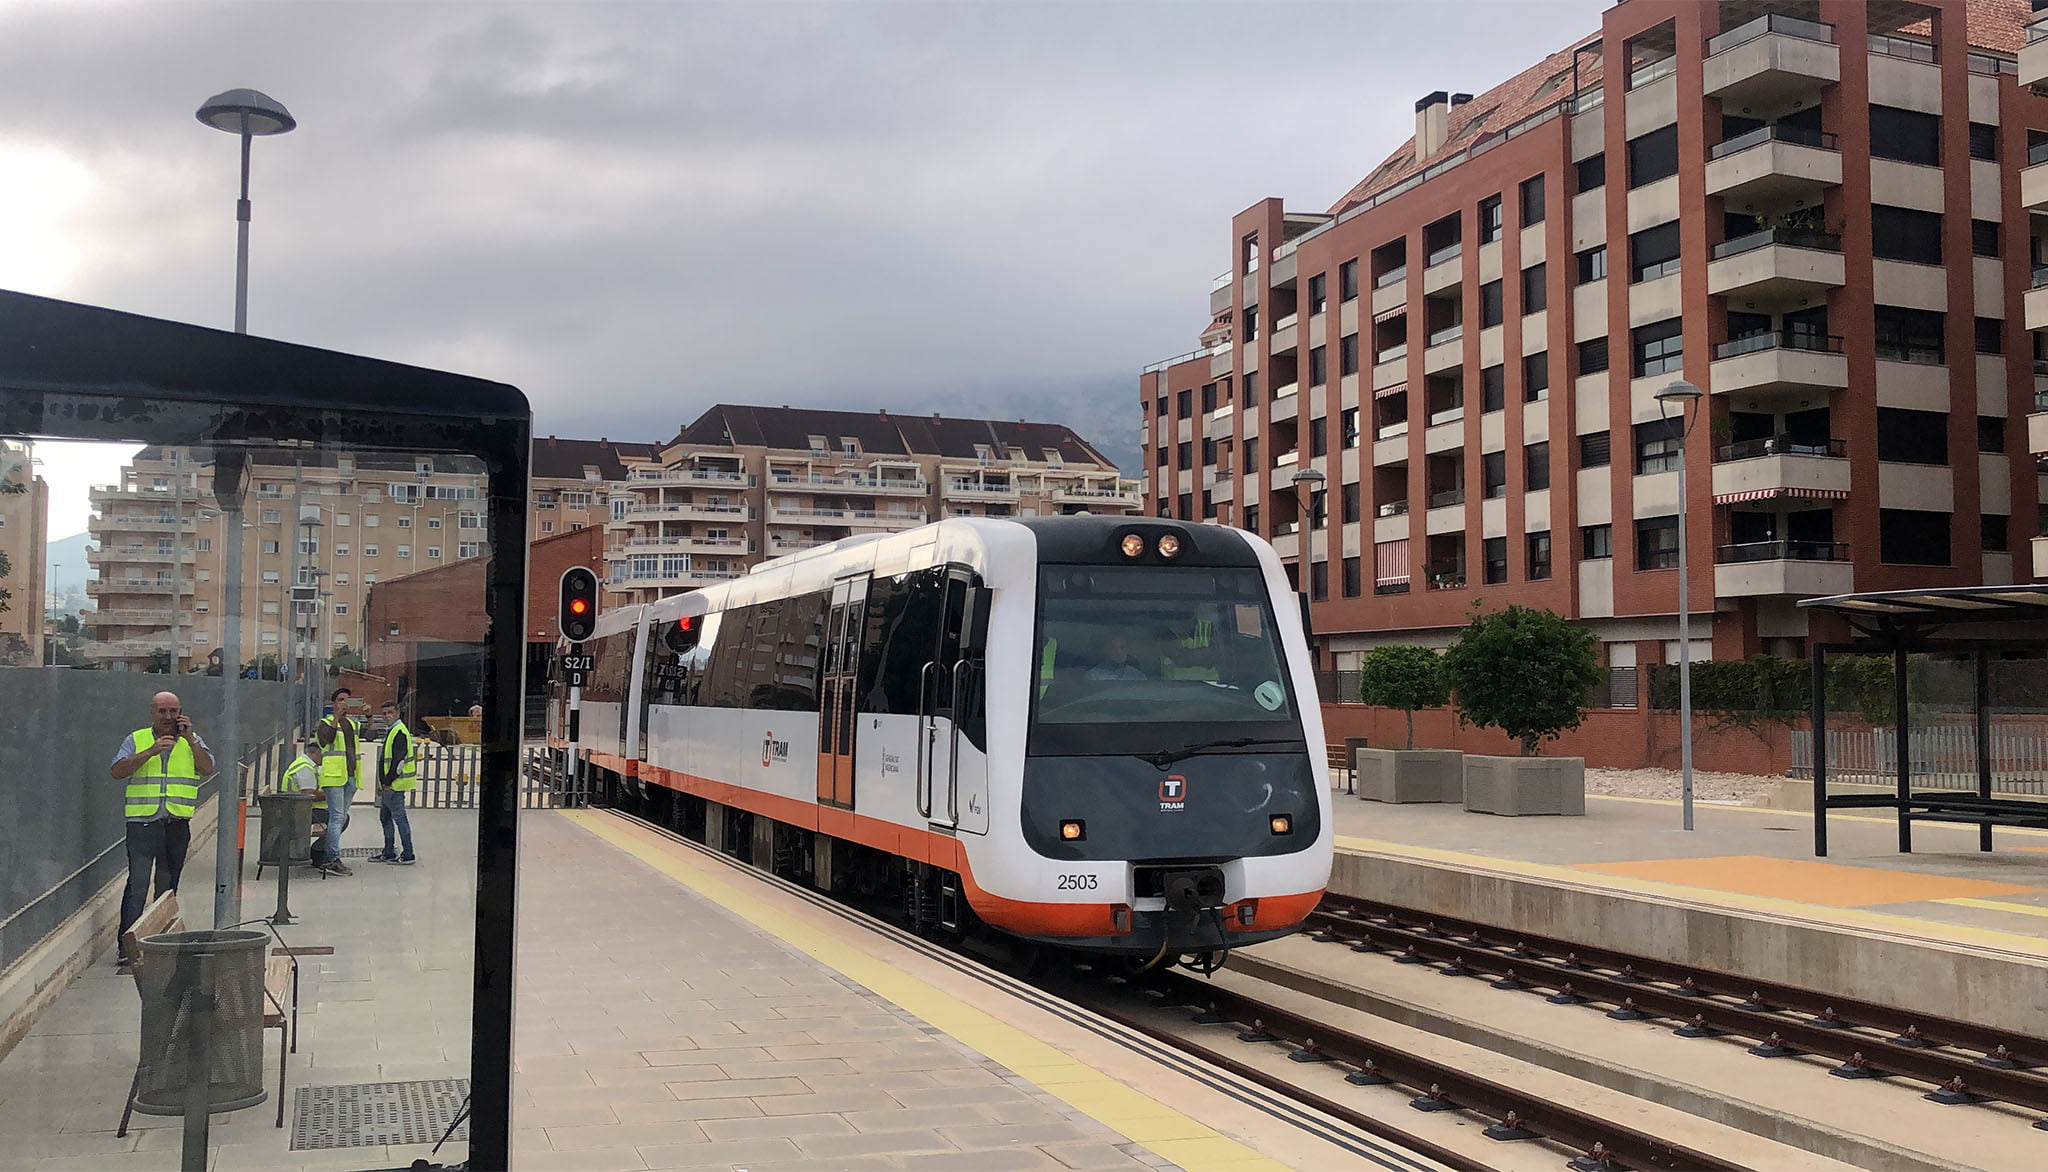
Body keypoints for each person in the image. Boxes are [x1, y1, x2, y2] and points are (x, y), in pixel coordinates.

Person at [109, 691, 214, 968]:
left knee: (168, 886)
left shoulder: (193, 741)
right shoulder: (137, 739)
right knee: (138, 885)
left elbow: (207, 768)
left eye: (173, 711)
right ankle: (127, 946)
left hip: (177, 823)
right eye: (162, 711)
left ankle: (158, 942)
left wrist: (190, 739)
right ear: (152, 712)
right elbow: (117, 771)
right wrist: (151, 751)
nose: (168, 717)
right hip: (143, 823)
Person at [313, 687, 361, 875]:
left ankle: (326, 854)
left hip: (350, 777)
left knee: (340, 818)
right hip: (334, 777)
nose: (344, 703)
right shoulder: (325, 723)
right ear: (334, 703)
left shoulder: (352, 724)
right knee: (336, 818)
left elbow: (367, 735)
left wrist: (370, 717)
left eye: (346, 700)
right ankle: (331, 858)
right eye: (340, 699)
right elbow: (325, 740)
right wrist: (335, 718)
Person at [371, 700, 418, 864]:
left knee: (399, 819)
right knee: (385, 817)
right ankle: (389, 851)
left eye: (390, 712)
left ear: (398, 713)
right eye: (384, 713)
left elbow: (398, 762)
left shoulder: (399, 731)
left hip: (394, 785)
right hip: (390, 785)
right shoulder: (393, 730)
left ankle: (408, 853)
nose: (387, 716)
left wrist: (387, 783)